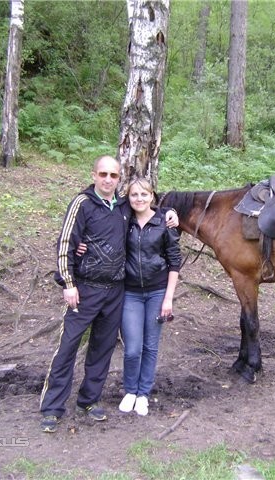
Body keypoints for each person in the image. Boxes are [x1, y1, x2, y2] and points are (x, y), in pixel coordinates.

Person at [39, 156, 177, 433]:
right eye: (103, 174)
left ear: (119, 179)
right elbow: (65, 243)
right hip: (84, 290)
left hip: (115, 291)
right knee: (68, 347)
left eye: (113, 175)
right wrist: (68, 283)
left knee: (102, 348)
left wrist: (170, 212)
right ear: (94, 175)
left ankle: (89, 400)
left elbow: (146, 207)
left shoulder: (123, 206)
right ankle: (52, 407)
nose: (108, 179)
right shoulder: (82, 203)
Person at [117, 178, 181, 416]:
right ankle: (130, 391)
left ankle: (143, 393)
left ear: (152, 196)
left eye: (144, 194)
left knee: (150, 346)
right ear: (128, 198)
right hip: (130, 293)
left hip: (157, 292)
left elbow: (174, 261)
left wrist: (168, 298)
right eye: (134, 194)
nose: (139, 199)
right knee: (133, 348)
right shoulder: (123, 220)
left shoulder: (164, 222)